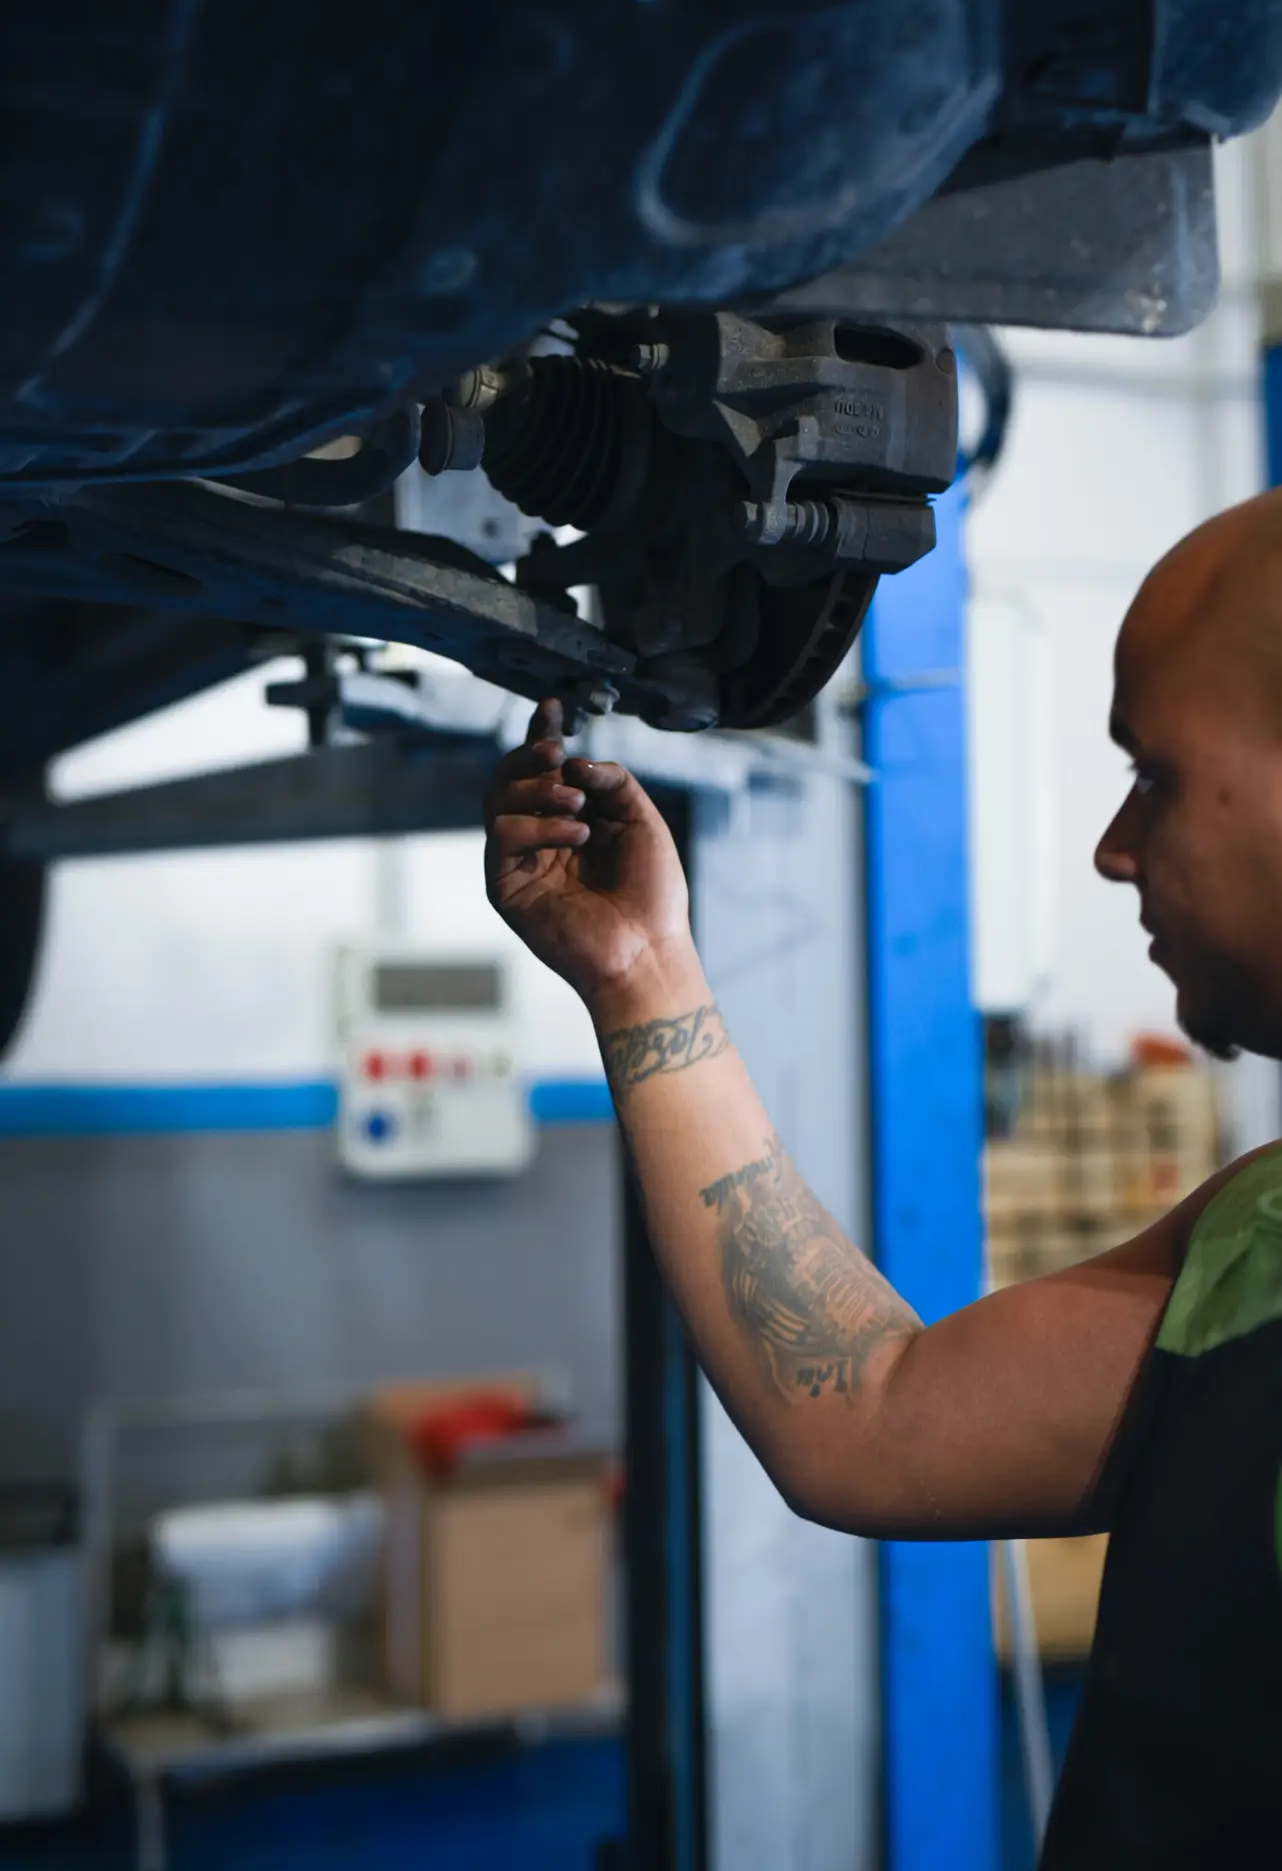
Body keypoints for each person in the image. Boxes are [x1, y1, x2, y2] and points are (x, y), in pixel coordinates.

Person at [483, 488, 1282, 1869]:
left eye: (1152, 772)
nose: (1112, 845)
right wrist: (639, 974)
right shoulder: (1257, 1245)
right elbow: (867, 1408)